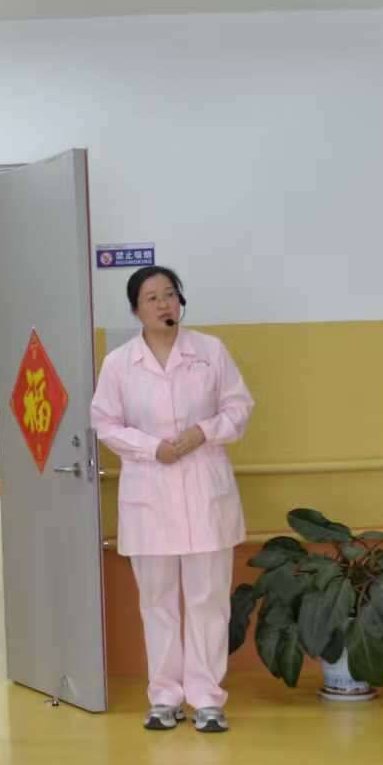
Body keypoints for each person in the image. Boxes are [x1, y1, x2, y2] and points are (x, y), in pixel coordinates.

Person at [92, 266, 253, 734]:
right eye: (152, 297)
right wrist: (150, 448)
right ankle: (164, 697)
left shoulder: (210, 351)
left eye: (170, 294)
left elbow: (239, 407)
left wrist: (204, 431)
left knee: (208, 600)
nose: (164, 304)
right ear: (135, 309)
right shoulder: (120, 363)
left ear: (180, 301)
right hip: (150, 494)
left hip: (205, 492)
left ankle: (207, 699)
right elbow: (104, 423)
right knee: (157, 602)